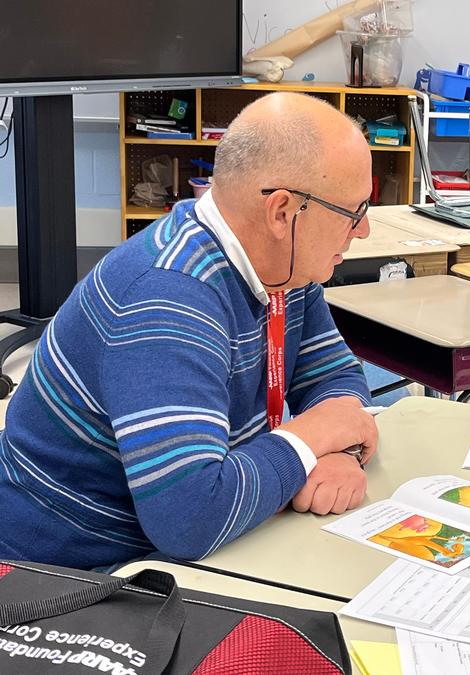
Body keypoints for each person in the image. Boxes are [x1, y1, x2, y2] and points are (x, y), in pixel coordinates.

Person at [0, 92, 380, 570]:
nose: (364, 230)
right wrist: (307, 440)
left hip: (172, 542)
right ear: (283, 212)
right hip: (70, 571)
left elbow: (335, 382)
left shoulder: (283, 265)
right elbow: (190, 520)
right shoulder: (165, 299)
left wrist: (339, 450)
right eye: (354, 211)